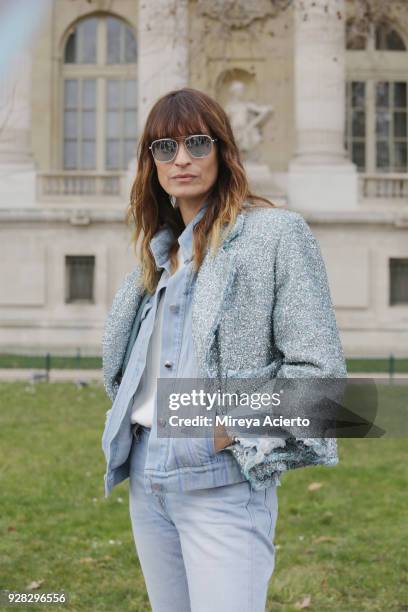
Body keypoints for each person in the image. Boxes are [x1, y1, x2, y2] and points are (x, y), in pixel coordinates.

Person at [101, 87, 347, 612]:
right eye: (164, 148)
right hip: (149, 487)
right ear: (151, 163)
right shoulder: (157, 257)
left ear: (223, 150)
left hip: (223, 486)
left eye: (196, 143)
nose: (181, 159)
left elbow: (320, 379)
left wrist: (228, 429)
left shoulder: (275, 235)